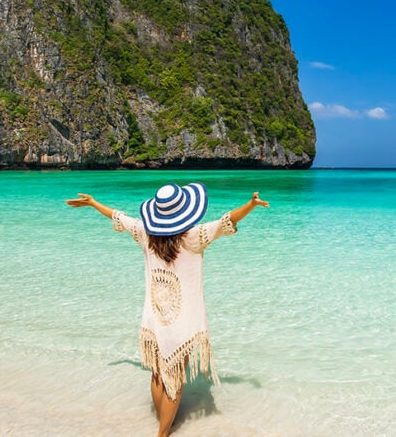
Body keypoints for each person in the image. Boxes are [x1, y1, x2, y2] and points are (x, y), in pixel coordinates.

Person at [66, 183, 268, 436]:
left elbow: (120, 217)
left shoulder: (145, 234)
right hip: (181, 323)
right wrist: (251, 205)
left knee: (157, 374)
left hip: (154, 318)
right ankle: (162, 434)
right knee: (175, 378)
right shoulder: (194, 237)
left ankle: (160, 423)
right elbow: (226, 221)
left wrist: (94, 203)